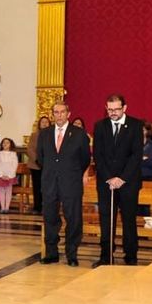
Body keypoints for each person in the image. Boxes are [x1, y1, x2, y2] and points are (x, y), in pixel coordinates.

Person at [92, 93, 145, 267]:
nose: (113, 113)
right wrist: (109, 177)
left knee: (129, 220)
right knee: (106, 219)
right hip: (106, 182)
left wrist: (122, 178)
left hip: (128, 182)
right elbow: (98, 155)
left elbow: (136, 155)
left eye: (116, 109)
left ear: (124, 108)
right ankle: (106, 256)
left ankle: (131, 256)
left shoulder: (136, 125)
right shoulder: (100, 126)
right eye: (110, 110)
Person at [35, 102, 90, 266]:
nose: (59, 115)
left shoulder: (79, 134)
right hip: (49, 182)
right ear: (52, 114)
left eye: (62, 112)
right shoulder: (44, 134)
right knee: (50, 217)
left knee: (73, 219)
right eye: (56, 112)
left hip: (71, 183)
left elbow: (85, 159)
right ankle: (51, 253)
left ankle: (71, 254)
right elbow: (40, 158)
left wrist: (71, 172)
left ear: (68, 113)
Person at [29, 115, 51, 213]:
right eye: (43, 122)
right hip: (36, 165)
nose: (45, 124)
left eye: (46, 122)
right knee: (37, 187)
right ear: (39, 124)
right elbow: (30, 149)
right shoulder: (34, 135)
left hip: (48, 166)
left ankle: (46, 207)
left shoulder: (53, 135)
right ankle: (37, 207)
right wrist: (37, 160)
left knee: (47, 187)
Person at [0, 137, 19, 214]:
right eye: (3, 142)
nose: (5, 144)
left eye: (7, 142)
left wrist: (9, 175)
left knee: (8, 191)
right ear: (1, 144)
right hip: (1, 175)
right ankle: (2, 207)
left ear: (10, 144)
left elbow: (15, 165)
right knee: (1, 191)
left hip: (10, 176)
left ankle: (7, 208)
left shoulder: (13, 154)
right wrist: (1, 175)